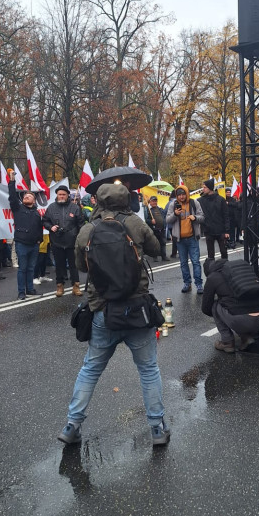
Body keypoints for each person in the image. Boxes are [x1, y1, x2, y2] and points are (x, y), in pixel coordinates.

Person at [58, 183, 169, 446]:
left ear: (99, 202)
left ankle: (72, 425)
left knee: (90, 369)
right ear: (127, 200)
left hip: (103, 310)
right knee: (149, 370)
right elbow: (156, 248)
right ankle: (156, 429)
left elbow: (78, 265)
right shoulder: (136, 223)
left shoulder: (88, 229)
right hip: (137, 310)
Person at [201, 258, 259, 353]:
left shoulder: (213, 277)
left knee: (215, 306)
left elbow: (206, 307)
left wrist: (221, 316)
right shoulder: (238, 271)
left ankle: (227, 342)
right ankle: (246, 337)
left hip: (242, 321)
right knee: (236, 307)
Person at [43, 184, 85, 297]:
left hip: (72, 242)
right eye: (59, 194)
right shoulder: (51, 207)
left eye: (64, 194)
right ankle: (60, 286)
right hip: (57, 242)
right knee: (59, 266)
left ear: (67, 195)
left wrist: (80, 237)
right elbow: (45, 220)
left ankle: (76, 286)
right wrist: (51, 227)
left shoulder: (75, 207)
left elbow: (81, 223)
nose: (61, 196)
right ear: (57, 195)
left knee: (73, 266)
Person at [8, 170, 43, 300]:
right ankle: (21, 292)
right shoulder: (17, 208)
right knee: (22, 269)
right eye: (24, 197)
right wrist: (12, 181)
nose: (26, 197)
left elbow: (39, 227)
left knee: (31, 268)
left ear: (34, 200)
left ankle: (30, 289)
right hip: (22, 244)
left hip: (34, 245)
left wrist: (39, 240)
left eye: (29, 196)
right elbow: (12, 196)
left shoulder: (36, 212)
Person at [166, 184, 205, 294]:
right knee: (183, 263)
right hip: (180, 240)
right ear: (177, 196)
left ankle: (199, 284)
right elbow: (168, 220)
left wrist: (195, 218)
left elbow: (202, 217)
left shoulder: (194, 203)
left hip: (192, 238)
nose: (181, 197)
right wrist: (175, 214)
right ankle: (187, 284)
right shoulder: (173, 205)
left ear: (187, 194)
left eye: (183, 194)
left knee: (196, 262)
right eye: (179, 195)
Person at [198, 178, 229, 261]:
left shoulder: (221, 199)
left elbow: (226, 215)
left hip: (221, 230)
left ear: (210, 188)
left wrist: (226, 231)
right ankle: (212, 272)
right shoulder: (200, 201)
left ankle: (225, 269)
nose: (203, 189)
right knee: (210, 255)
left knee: (224, 252)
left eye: (205, 187)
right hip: (209, 231)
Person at [144, 195, 167, 261]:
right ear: (150, 202)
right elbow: (146, 220)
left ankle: (164, 256)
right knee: (154, 243)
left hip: (161, 229)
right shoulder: (148, 210)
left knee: (163, 243)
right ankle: (155, 257)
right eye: (153, 201)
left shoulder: (160, 208)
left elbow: (163, 216)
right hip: (154, 229)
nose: (154, 202)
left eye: (155, 201)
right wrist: (151, 221)